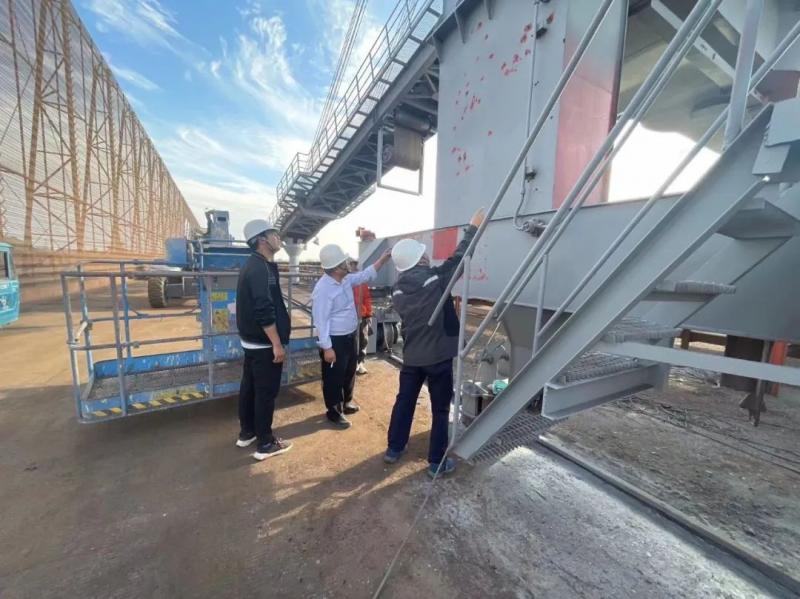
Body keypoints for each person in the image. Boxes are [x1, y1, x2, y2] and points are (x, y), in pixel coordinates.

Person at [384, 208, 486, 477]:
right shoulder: (435, 280)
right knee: (441, 409)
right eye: (424, 254)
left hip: (411, 358)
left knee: (404, 401)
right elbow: (460, 258)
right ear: (420, 259)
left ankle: (394, 448)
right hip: (438, 358)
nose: (428, 256)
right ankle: (436, 462)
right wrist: (473, 228)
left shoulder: (396, 290)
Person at [312, 244, 391, 428]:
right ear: (336, 268)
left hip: (350, 335)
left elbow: (365, 275)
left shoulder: (345, 279)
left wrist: (382, 260)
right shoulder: (323, 289)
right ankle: (334, 411)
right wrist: (327, 348)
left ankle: (346, 402)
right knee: (333, 377)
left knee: (349, 370)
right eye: (344, 262)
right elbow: (321, 321)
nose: (348, 264)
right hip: (335, 340)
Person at [235, 219, 293, 461]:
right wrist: (276, 343)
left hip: (252, 342)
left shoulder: (255, 265)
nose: (279, 238)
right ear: (262, 240)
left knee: (250, 388)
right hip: (264, 344)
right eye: (274, 234)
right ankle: (266, 443)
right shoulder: (260, 269)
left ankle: (247, 432)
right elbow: (263, 308)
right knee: (265, 393)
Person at [348, 258, 373, 375]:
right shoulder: (344, 280)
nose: (354, 266)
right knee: (350, 341)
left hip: (362, 315)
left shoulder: (362, 280)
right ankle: (351, 364)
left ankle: (360, 363)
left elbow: (367, 297)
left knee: (363, 340)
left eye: (355, 264)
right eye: (351, 264)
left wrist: (368, 313)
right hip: (349, 316)